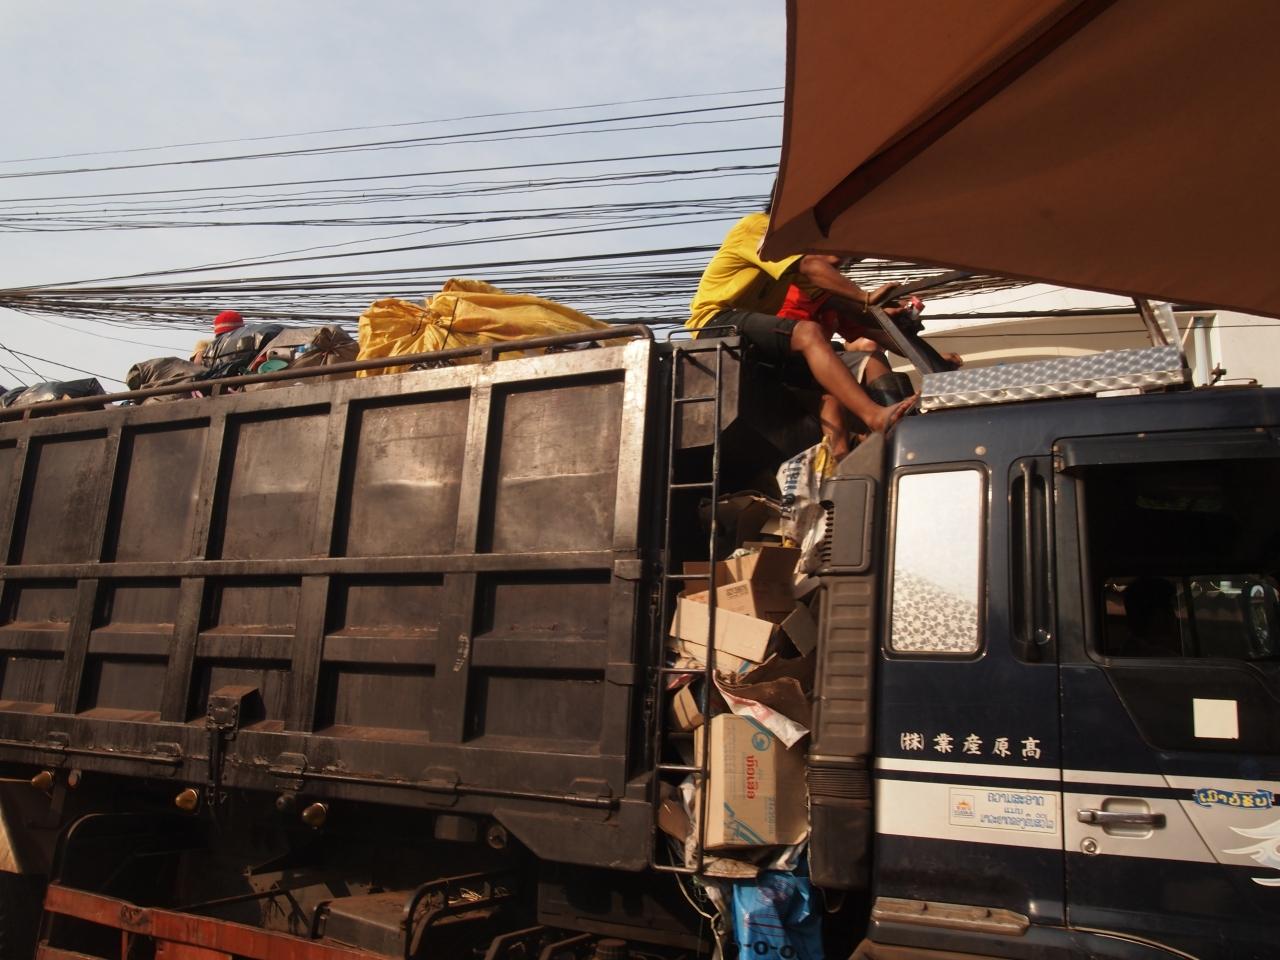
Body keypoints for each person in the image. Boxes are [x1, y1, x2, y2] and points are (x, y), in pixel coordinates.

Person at [688, 208, 916, 435]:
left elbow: (840, 303)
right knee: (809, 332)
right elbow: (811, 266)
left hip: (750, 338)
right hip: (715, 322)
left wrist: (885, 315)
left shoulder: (795, 262)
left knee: (831, 387)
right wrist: (864, 296)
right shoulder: (757, 226)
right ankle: (875, 417)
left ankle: (877, 437)